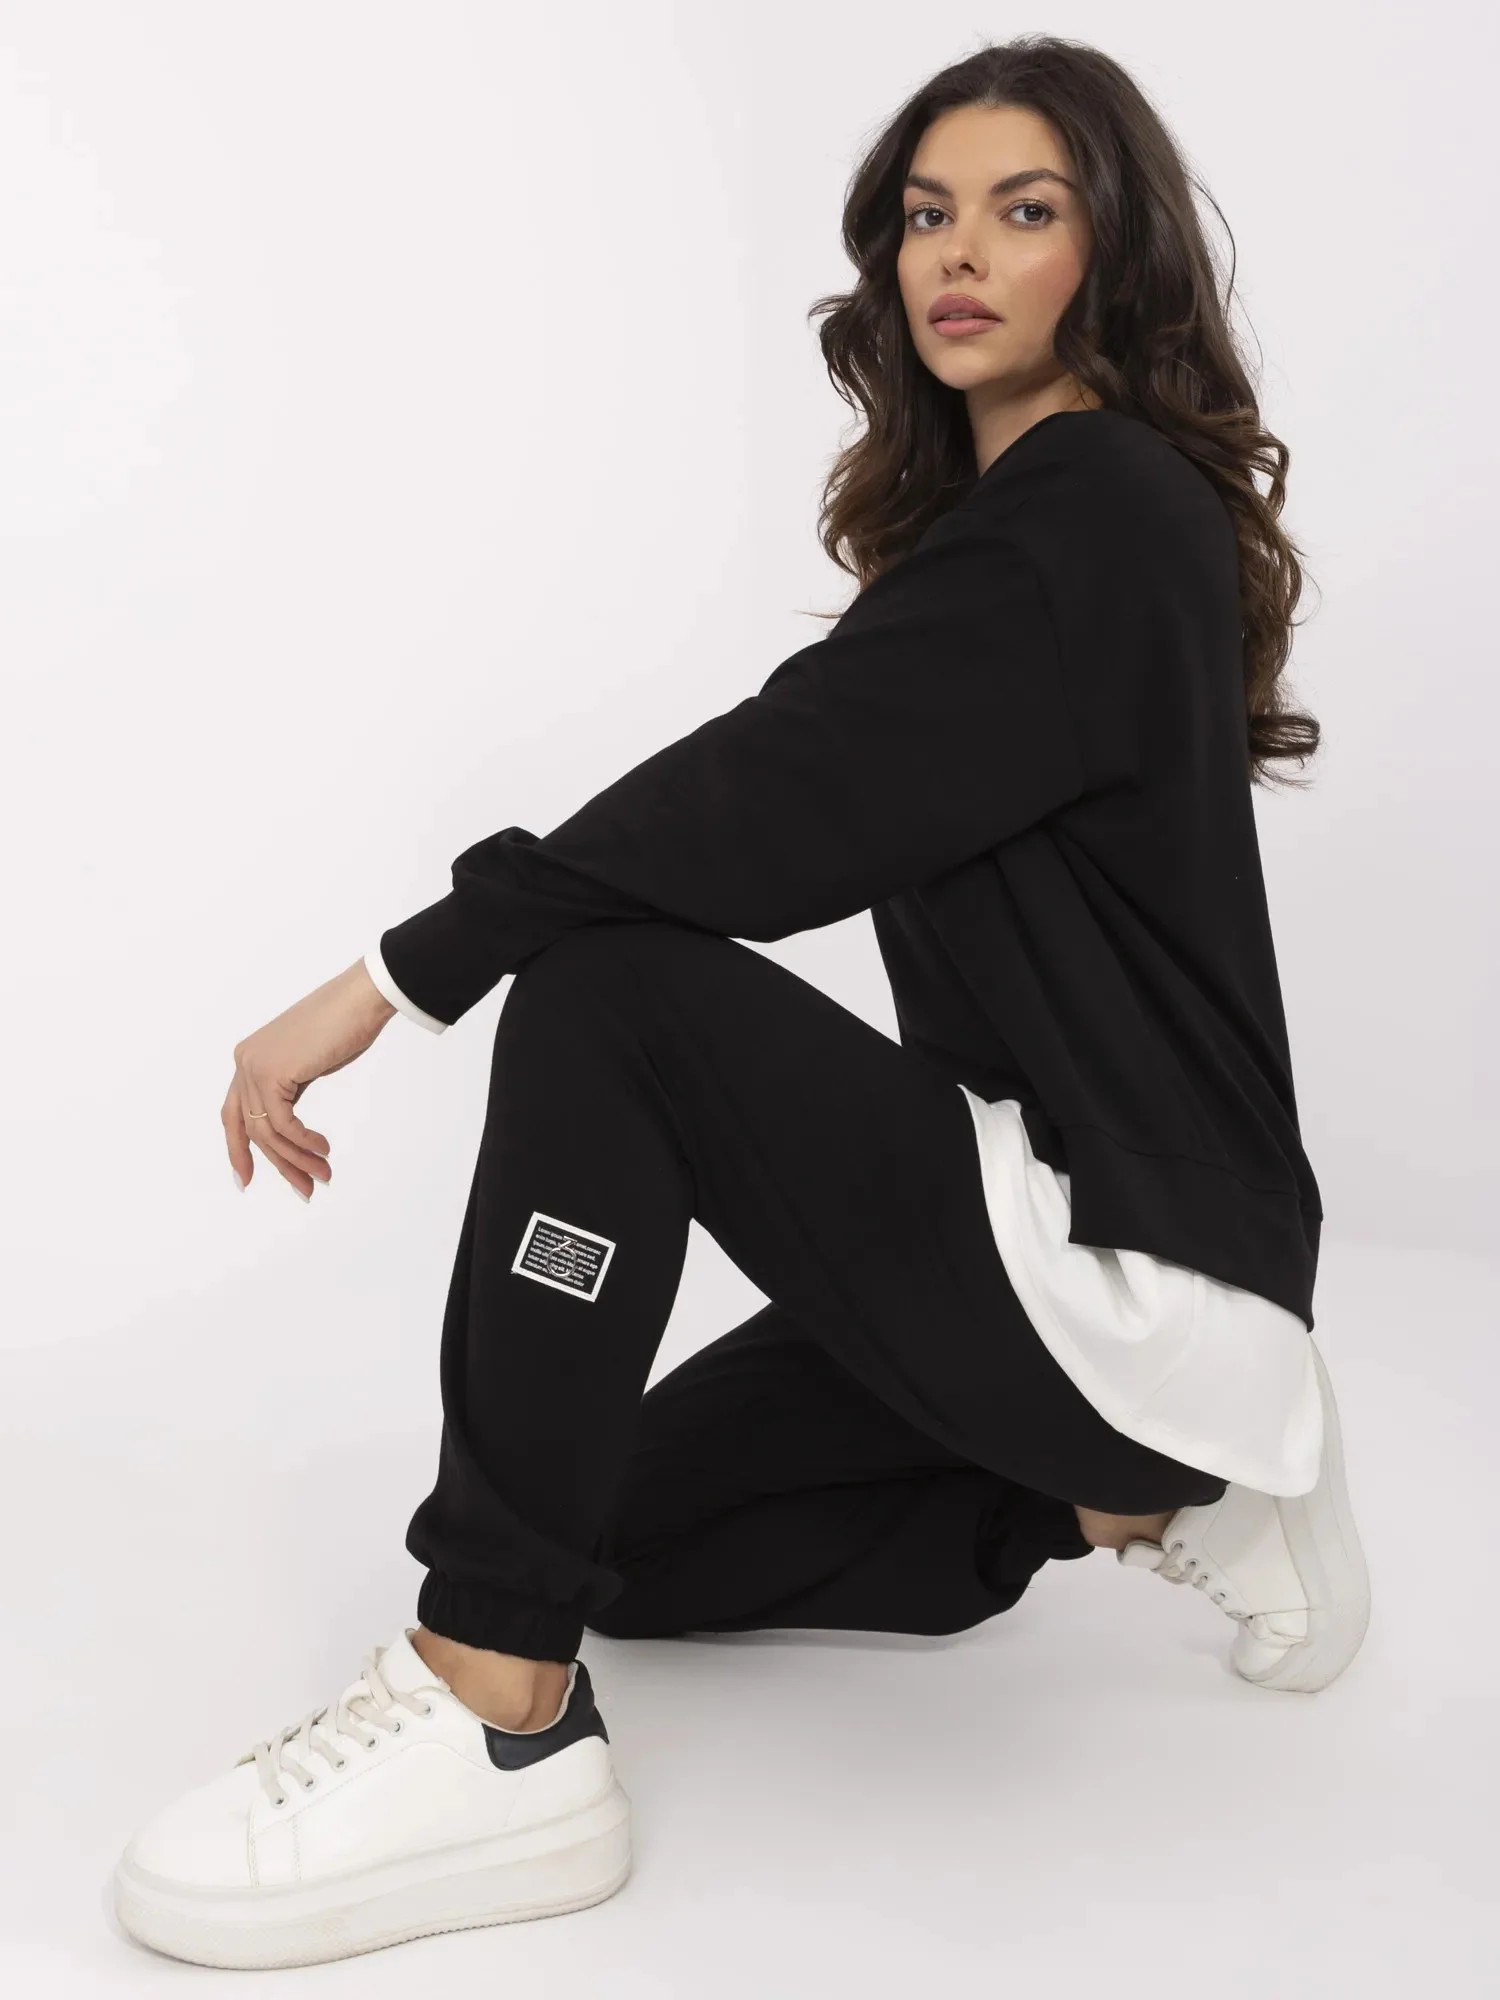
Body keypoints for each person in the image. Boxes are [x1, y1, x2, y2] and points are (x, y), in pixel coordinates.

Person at [112, 33, 1370, 1972]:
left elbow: (776, 794)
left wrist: (394, 976)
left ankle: (495, 1707)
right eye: (926, 216)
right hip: (1042, 1261)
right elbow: (815, 778)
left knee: (610, 994)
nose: (959, 255)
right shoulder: (1012, 537)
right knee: (627, 1535)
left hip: (1126, 1262)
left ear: (1110, 257)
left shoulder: (1105, 502)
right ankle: (1125, 1502)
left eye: (1024, 211)